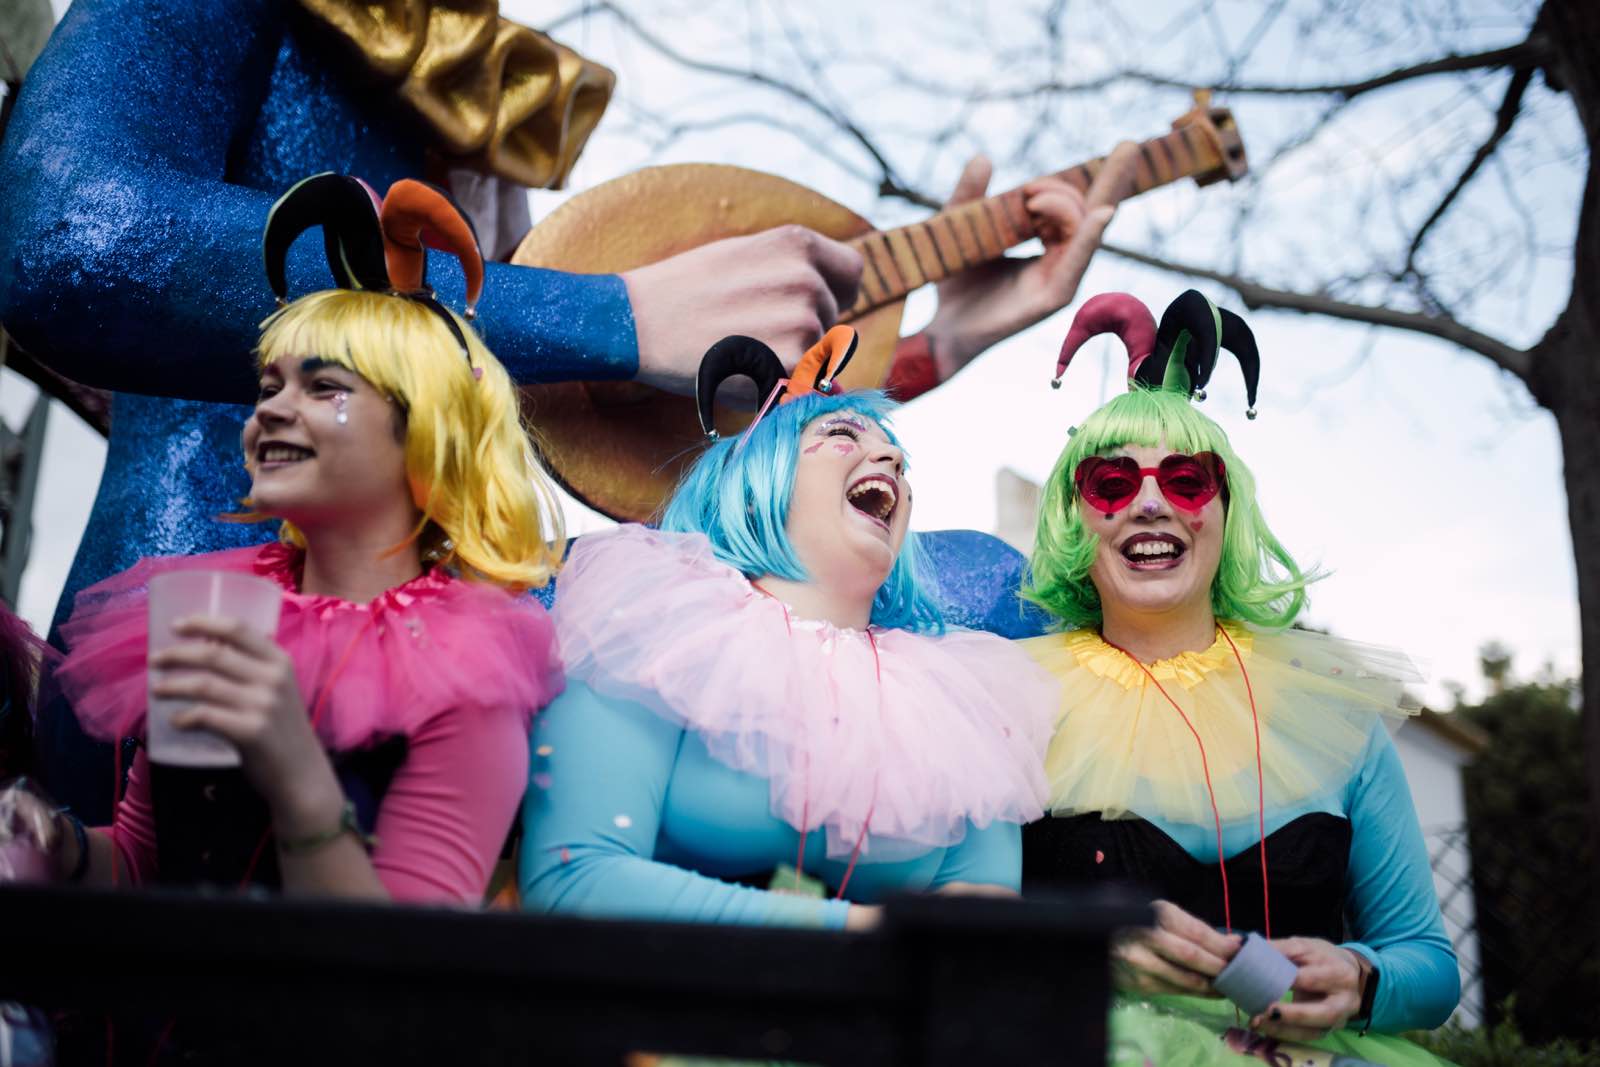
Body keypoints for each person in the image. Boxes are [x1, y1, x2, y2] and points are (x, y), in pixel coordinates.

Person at [0, 0, 1126, 820]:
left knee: (990, 588)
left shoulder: (478, 90)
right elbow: (71, 240)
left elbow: (603, 436)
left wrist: (935, 344)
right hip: (229, 613)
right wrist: (611, 315)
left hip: (476, 633)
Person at [0, 175, 562, 903]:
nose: (272, 412)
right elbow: (148, 865)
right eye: (269, 389)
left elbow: (406, 978)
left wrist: (297, 778)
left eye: (324, 388)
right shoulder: (221, 608)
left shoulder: (466, 665)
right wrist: (62, 844)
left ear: (424, 432)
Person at [1019, 292, 1459, 1064]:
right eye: (1112, 484)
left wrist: (1362, 976)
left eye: (1186, 479)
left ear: (1226, 511)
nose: (1150, 502)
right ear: (1072, 518)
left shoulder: (1331, 710)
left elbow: (1428, 960)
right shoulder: (1009, 701)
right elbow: (945, 924)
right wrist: (1077, 945)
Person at [520, 328, 1057, 927]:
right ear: (757, 481)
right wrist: (857, 931)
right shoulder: (651, 625)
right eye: (841, 435)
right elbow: (573, 877)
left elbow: (987, 926)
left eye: (897, 458)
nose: (892, 461)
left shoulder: (956, 702)